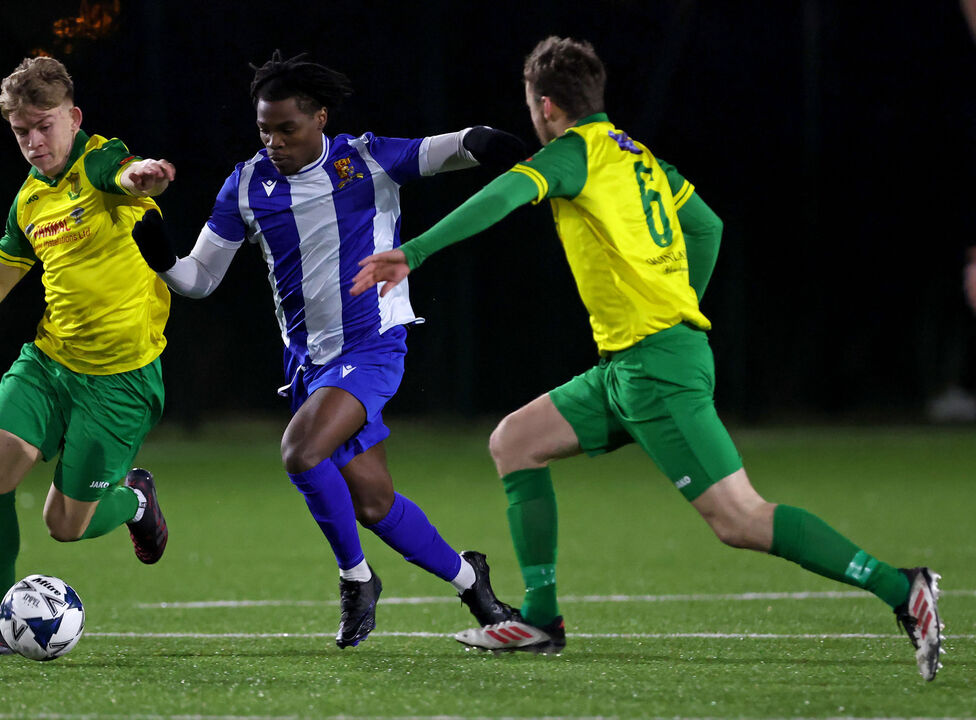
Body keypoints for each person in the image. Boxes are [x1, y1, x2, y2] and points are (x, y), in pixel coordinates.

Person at [351, 36, 944, 680]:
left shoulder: (571, 154)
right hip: (629, 367)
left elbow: (500, 197)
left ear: (545, 106)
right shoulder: (639, 157)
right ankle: (541, 620)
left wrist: (414, 251)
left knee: (740, 519)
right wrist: (678, 303)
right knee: (515, 442)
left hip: (657, 367)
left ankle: (902, 588)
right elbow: (707, 226)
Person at [130, 51, 523, 648]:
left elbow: (453, 148)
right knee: (374, 503)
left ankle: (357, 579)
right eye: (264, 129)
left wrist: (499, 144)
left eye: (286, 128)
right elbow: (199, 280)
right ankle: (474, 584)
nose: (274, 142)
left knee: (301, 451)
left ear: (319, 117)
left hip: (373, 346)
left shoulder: (366, 159)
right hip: (309, 366)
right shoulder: (246, 185)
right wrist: (162, 257)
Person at [0, 56, 175, 656]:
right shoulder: (28, 201)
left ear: (73, 118)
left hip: (119, 381)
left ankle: (134, 500)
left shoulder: (100, 161)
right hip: (49, 362)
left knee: (64, 526)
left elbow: (124, 175)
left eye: (45, 126)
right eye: (22, 131)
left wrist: (143, 174)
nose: (34, 141)